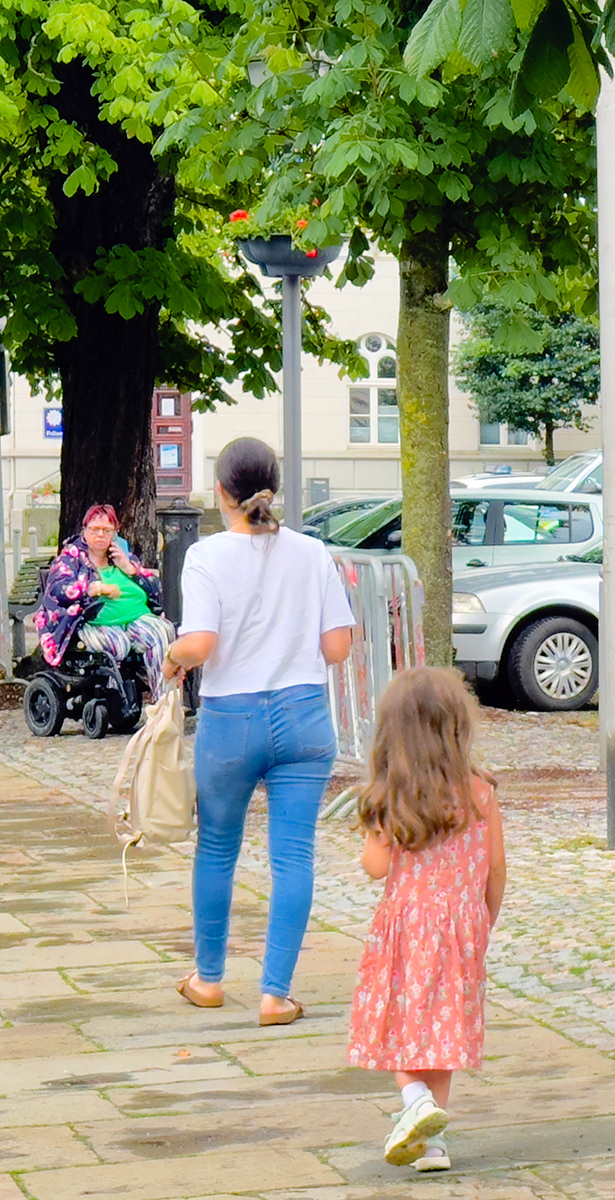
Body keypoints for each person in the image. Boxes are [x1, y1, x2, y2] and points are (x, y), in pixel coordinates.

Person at [164, 438, 355, 1025]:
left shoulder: (206, 556)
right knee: (293, 857)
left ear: (222, 492)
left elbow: (201, 644)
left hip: (232, 719)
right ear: (276, 489)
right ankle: (275, 993)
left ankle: (209, 979)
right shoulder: (313, 553)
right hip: (303, 717)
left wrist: (172, 656)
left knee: (217, 849)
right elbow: (337, 647)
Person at [346, 667, 507, 1173]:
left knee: (396, 1022)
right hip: (462, 925)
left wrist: (371, 841)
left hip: (407, 926)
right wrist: (485, 919)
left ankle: (414, 1100)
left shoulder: (390, 794)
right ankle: (433, 1143)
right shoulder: (479, 790)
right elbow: (495, 866)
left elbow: (376, 868)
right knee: (442, 1031)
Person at [35, 505, 174, 697]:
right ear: (85, 530)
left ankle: (164, 705)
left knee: (162, 632)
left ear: (115, 533)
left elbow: (155, 588)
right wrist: (93, 588)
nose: (101, 534)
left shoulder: (120, 555)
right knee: (119, 644)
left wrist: (130, 569)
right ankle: (115, 698)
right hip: (91, 622)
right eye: (95, 529)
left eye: (107, 530)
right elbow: (57, 590)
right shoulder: (72, 558)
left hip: (134, 617)